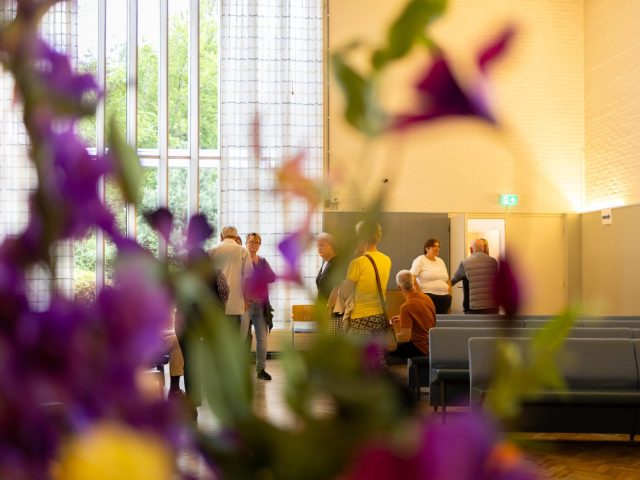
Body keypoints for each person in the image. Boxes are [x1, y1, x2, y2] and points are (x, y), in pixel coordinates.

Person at [342, 220, 392, 370]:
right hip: (380, 315)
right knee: (377, 356)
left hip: (361, 316)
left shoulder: (357, 263)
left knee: (360, 358)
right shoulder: (386, 259)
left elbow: (345, 293)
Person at [245, 233, 276, 381]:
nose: (254, 245)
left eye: (257, 243)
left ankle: (261, 369)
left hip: (260, 305)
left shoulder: (263, 261)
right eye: (251, 242)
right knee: (242, 337)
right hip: (244, 304)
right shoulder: (242, 259)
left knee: (262, 338)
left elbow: (272, 277)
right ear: (246, 243)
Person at [208, 225, 253, 328]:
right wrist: (246, 301)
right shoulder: (243, 251)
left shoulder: (211, 251)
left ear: (221, 236)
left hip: (216, 302)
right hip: (236, 301)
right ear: (237, 237)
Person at [388, 270, 436, 358]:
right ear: (413, 281)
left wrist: (388, 339)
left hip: (419, 348)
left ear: (399, 287)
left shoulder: (406, 307)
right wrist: (405, 318)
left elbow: (405, 337)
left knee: (381, 347)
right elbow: (422, 317)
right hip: (430, 345)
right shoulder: (426, 298)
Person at [451, 238, 499, 314]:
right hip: (492, 307)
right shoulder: (493, 262)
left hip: (473, 308)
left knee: (473, 326)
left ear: (471, 249)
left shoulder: (465, 263)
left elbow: (453, 281)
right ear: (483, 248)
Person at [315, 232, 348, 335]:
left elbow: (337, 288)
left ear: (332, 246)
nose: (319, 248)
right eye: (318, 246)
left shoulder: (337, 263)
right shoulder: (326, 263)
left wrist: (328, 309)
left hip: (333, 314)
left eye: (322, 245)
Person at [409, 238, 452, 314]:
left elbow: (447, 279)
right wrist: (419, 293)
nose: (437, 248)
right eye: (434, 246)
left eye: (438, 246)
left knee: (442, 323)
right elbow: (412, 277)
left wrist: (449, 292)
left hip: (444, 297)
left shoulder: (440, 261)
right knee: (429, 321)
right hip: (428, 296)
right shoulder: (420, 260)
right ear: (427, 248)